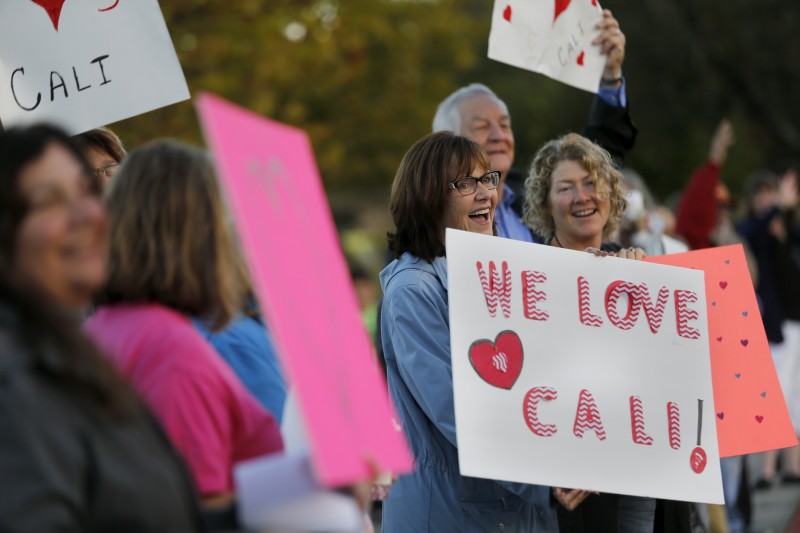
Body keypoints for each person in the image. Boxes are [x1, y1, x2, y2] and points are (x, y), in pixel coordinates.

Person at [380, 131, 588, 532]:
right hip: (445, 514)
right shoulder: (413, 290)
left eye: (487, 179)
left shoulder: (493, 278)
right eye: (464, 184)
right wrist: (544, 476)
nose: (485, 194)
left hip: (503, 511)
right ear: (427, 197)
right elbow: (453, 405)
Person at [0, 125, 202, 530]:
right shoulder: (14, 385)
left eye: (83, 192)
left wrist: (284, 493)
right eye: (49, 201)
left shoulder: (78, 351)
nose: (89, 212)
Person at [85, 140, 284, 517]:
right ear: (201, 229)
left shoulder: (108, 324)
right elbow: (194, 506)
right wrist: (326, 484)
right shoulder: (175, 347)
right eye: (224, 214)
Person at [522, 133, 653, 533]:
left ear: (611, 194)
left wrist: (646, 288)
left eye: (592, 183)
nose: (582, 196)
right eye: (566, 187)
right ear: (546, 203)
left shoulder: (638, 270)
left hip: (641, 477)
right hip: (571, 489)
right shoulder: (528, 282)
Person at [432, 9, 636, 243]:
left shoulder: (534, 198)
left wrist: (609, 76)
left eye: (504, 125)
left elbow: (598, 155)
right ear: (447, 143)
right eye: (481, 126)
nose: (499, 135)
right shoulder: (427, 225)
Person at [736, 167, 800, 490]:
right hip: (772, 327)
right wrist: (777, 210)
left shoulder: (790, 233)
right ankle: (768, 469)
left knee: (792, 395)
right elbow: (748, 231)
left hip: (795, 323)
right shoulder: (752, 233)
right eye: (760, 195)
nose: (766, 200)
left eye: (771, 193)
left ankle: (790, 466)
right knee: (775, 395)